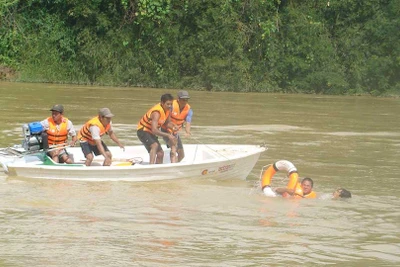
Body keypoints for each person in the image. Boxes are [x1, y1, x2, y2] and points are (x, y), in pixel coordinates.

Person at [137, 93, 177, 164]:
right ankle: (151, 166)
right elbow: (154, 130)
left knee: (160, 153)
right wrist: (168, 135)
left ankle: (158, 169)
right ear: (162, 103)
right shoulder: (156, 113)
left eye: (171, 104)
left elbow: (167, 123)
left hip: (150, 132)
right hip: (143, 130)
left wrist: (174, 127)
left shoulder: (167, 110)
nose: (170, 106)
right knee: (154, 145)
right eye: (168, 104)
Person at [161, 90, 193, 162]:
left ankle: (176, 165)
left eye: (186, 99)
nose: (185, 101)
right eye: (183, 99)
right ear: (178, 99)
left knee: (181, 155)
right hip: (166, 130)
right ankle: (173, 166)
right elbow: (166, 120)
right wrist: (172, 126)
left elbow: (188, 122)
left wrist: (187, 132)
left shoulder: (189, 109)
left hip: (175, 132)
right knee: (174, 147)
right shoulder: (171, 106)